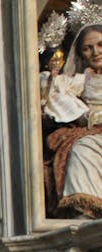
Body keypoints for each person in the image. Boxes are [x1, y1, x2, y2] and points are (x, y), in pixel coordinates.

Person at [48, 24, 102, 217]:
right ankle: (87, 210)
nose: (95, 52)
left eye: (100, 45)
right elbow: (57, 92)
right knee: (83, 148)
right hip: (95, 130)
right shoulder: (84, 79)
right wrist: (52, 77)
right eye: (88, 48)